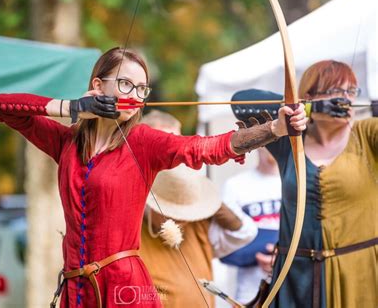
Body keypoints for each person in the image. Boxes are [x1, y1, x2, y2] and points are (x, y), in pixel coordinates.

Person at [0, 47, 306, 307]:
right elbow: (4, 106)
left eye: (141, 89)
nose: (136, 95)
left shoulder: (143, 141)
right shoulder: (66, 143)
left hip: (124, 291)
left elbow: (204, 148)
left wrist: (274, 129)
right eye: (125, 84)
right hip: (77, 292)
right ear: (98, 86)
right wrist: (73, 107)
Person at [265, 60, 377, 308]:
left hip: (359, 275)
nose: (346, 99)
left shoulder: (367, 135)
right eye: (337, 91)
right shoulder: (289, 141)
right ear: (308, 97)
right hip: (296, 279)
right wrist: (303, 109)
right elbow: (242, 100)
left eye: (351, 92)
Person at [138, 110, 258, 308]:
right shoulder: (127, 204)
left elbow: (245, 232)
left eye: (174, 141)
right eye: (160, 142)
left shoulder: (196, 207)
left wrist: (207, 198)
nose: (170, 152)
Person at [217, 147, 281, 304]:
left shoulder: (301, 184)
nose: (274, 144)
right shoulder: (235, 186)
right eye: (269, 139)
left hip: (294, 290)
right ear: (258, 144)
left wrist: (282, 257)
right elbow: (223, 244)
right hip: (250, 293)